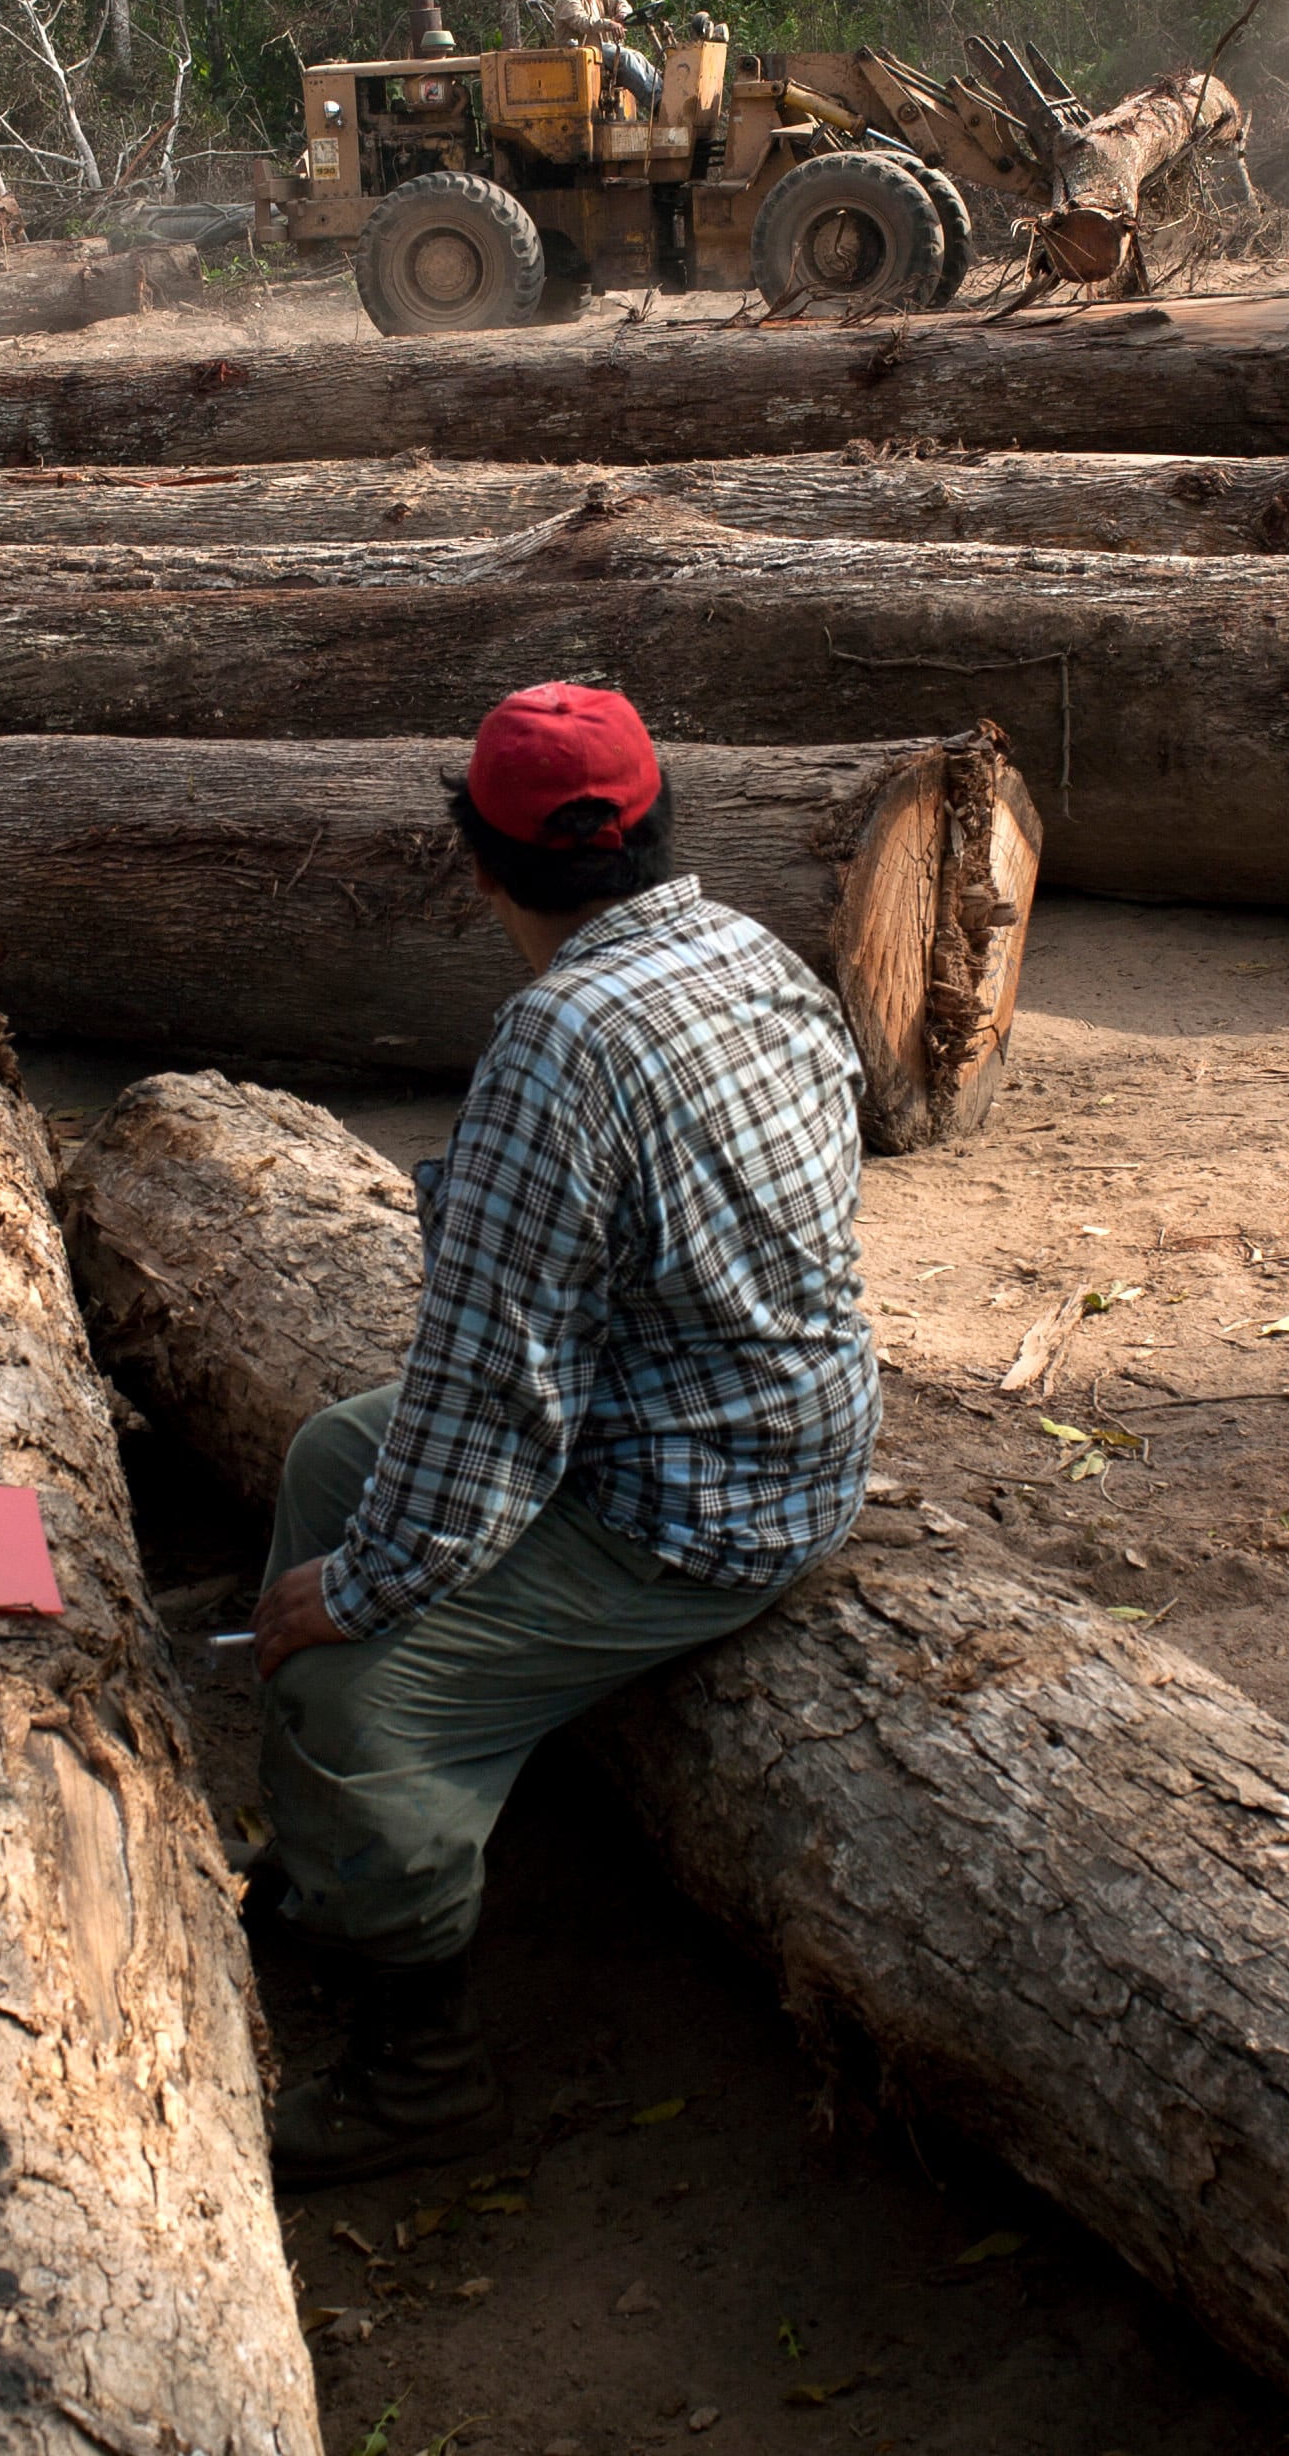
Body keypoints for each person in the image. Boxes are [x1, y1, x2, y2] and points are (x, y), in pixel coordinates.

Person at [244, 681, 877, 2185]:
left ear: (482, 864)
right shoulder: (753, 952)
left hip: (696, 1502)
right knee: (336, 1451)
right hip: (772, 1412)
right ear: (662, 824)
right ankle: (335, 1875)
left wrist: (355, 1595)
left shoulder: (557, 1040)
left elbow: (496, 1392)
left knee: (354, 1698)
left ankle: (419, 2074)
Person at [549, 0, 664, 118]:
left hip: (597, 49)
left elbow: (619, 2)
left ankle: (664, 95)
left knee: (637, 55)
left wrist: (623, 13)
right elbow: (582, 22)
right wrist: (608, 24)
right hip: (580, 52)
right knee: (625, 58)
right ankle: (656, 104)